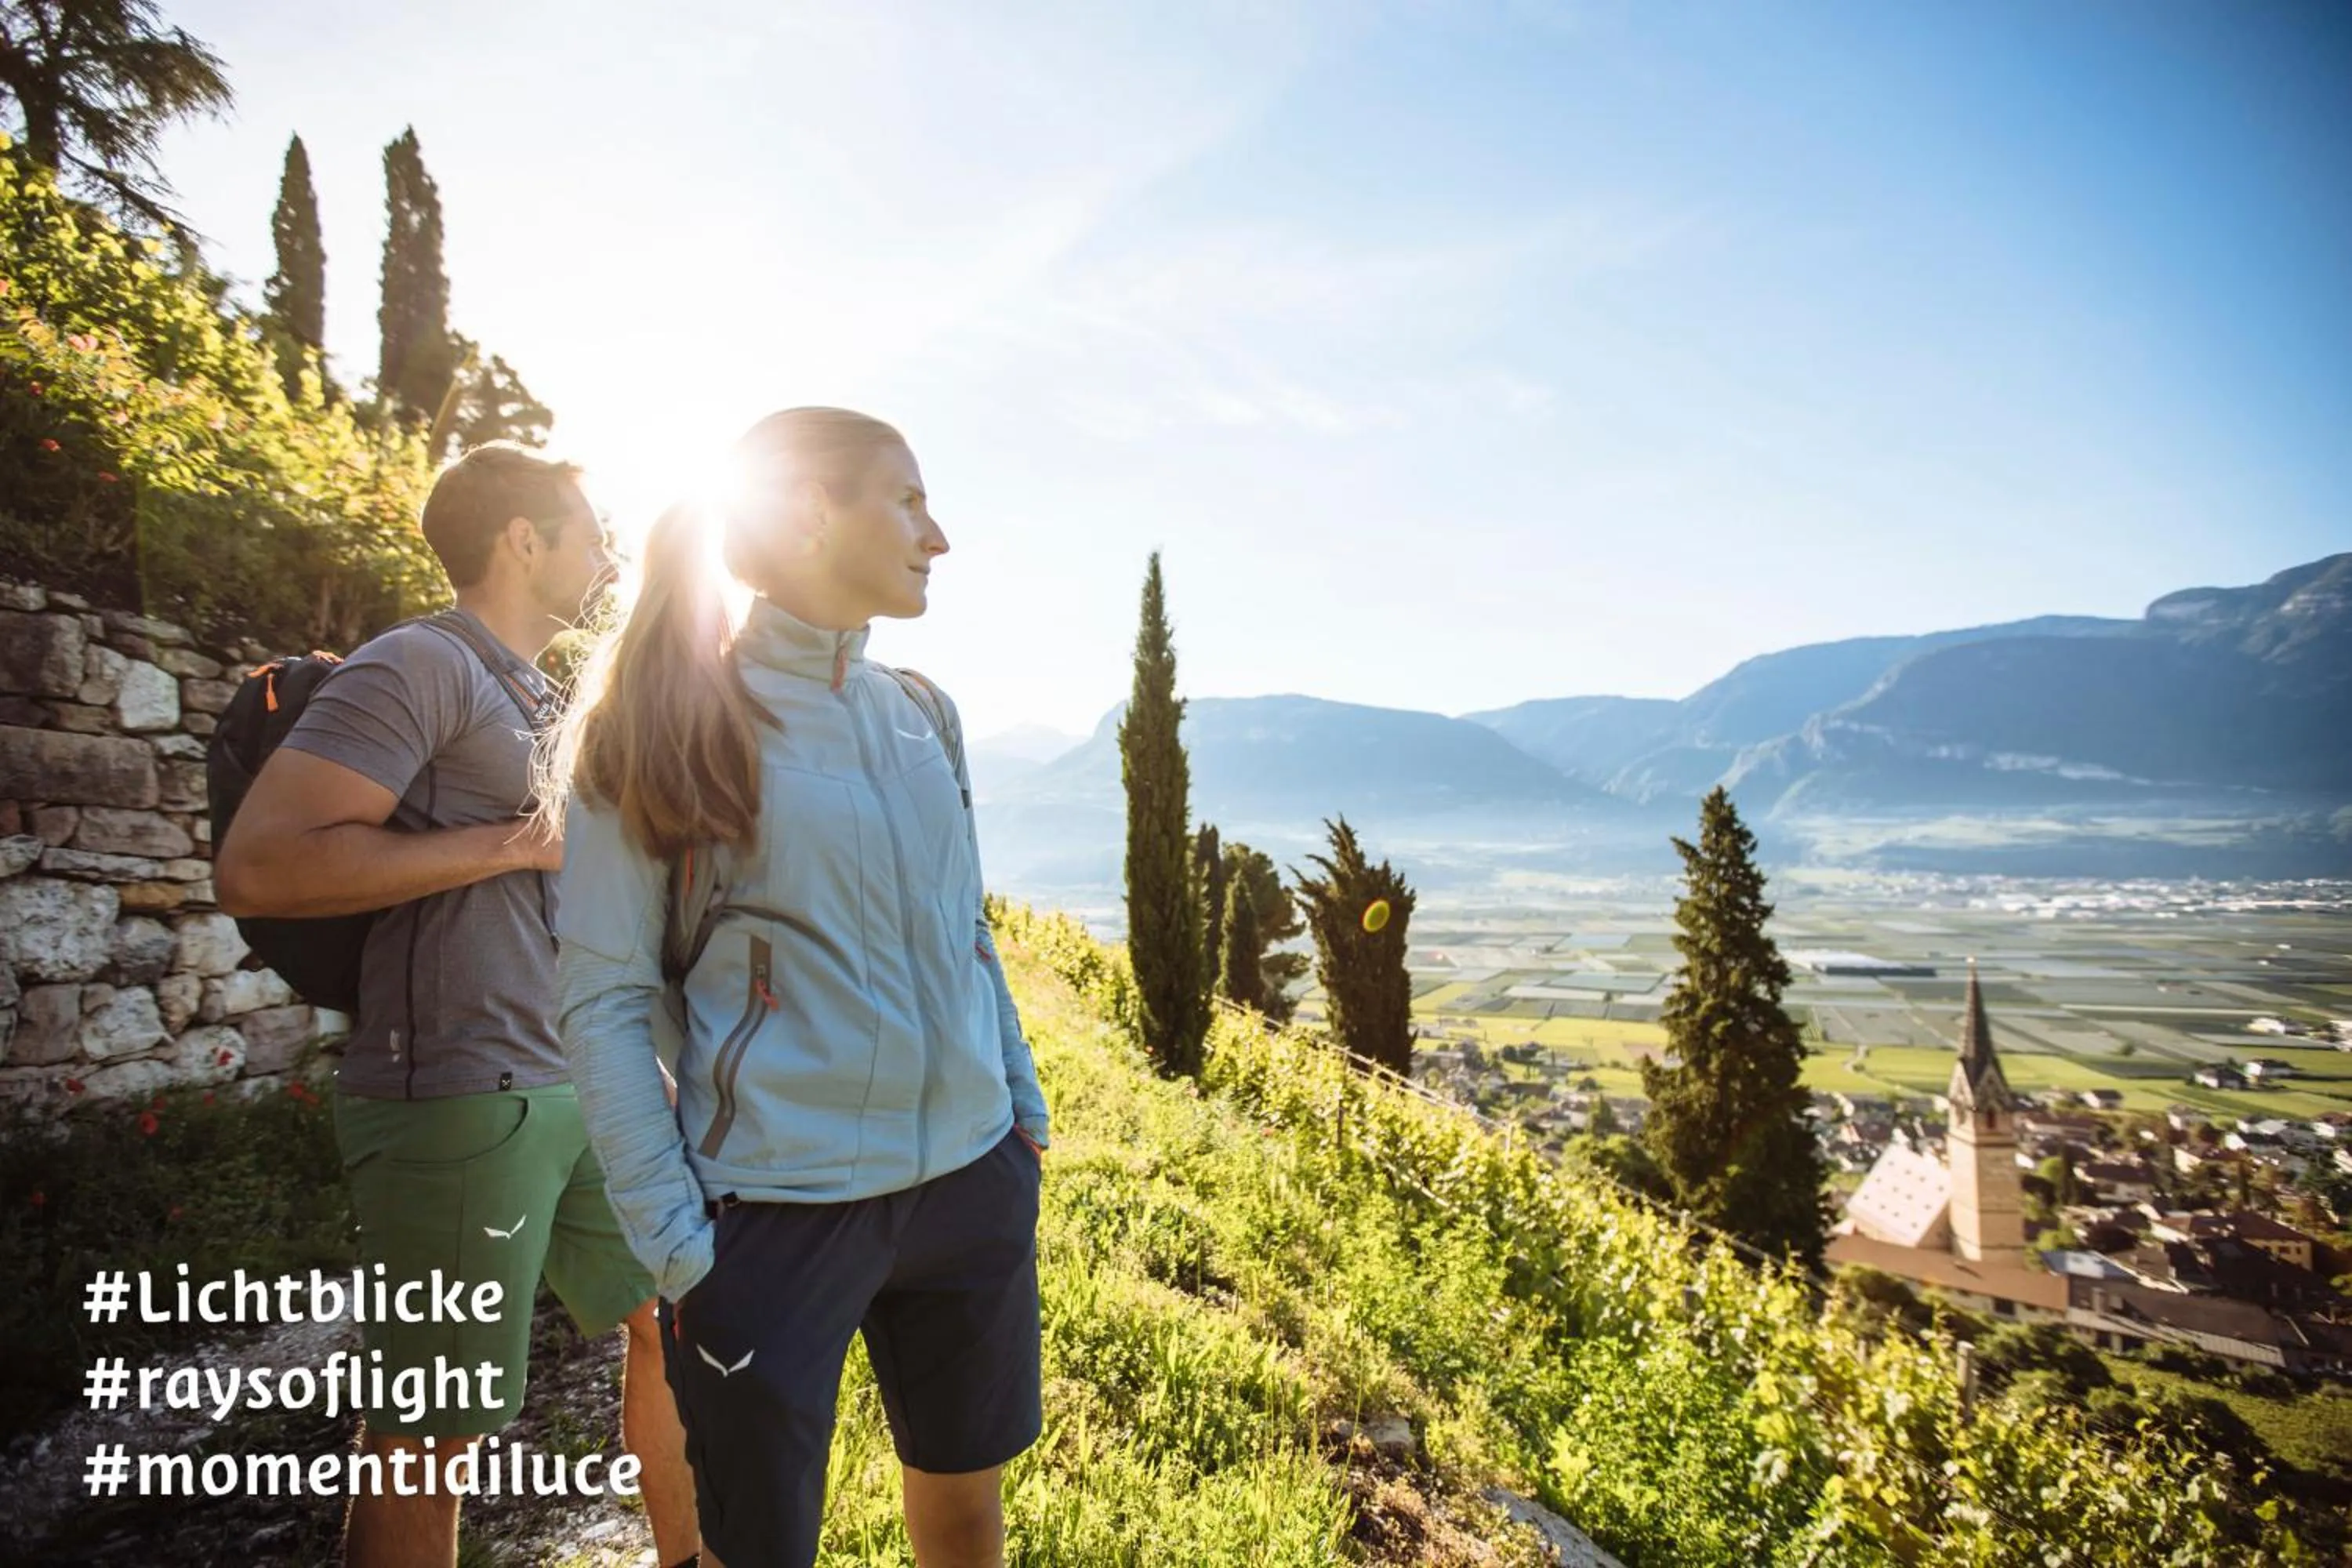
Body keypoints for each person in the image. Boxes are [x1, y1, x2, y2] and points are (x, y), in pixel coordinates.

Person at [543, 407, 1051, 1568]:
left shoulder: (924, 714)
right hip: (775, 1215)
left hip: (968, 1186)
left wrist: (1016, 1115)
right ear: (814, 511)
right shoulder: (666, 724)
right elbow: (606, 1001)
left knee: (969, 1521)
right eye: (910, 499)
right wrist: (677, 1244)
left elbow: (965, 930)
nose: (940, 535)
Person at [215, 444, 699, 1568]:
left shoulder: (538, 691)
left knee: (680, 1323)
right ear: (521, 542)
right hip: (457, 1093)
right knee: (431, 1431)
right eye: (585, 531)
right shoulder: (415, 665)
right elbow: (263, 866)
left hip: (578, 1079)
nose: (605, 554)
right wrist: (514, 843)